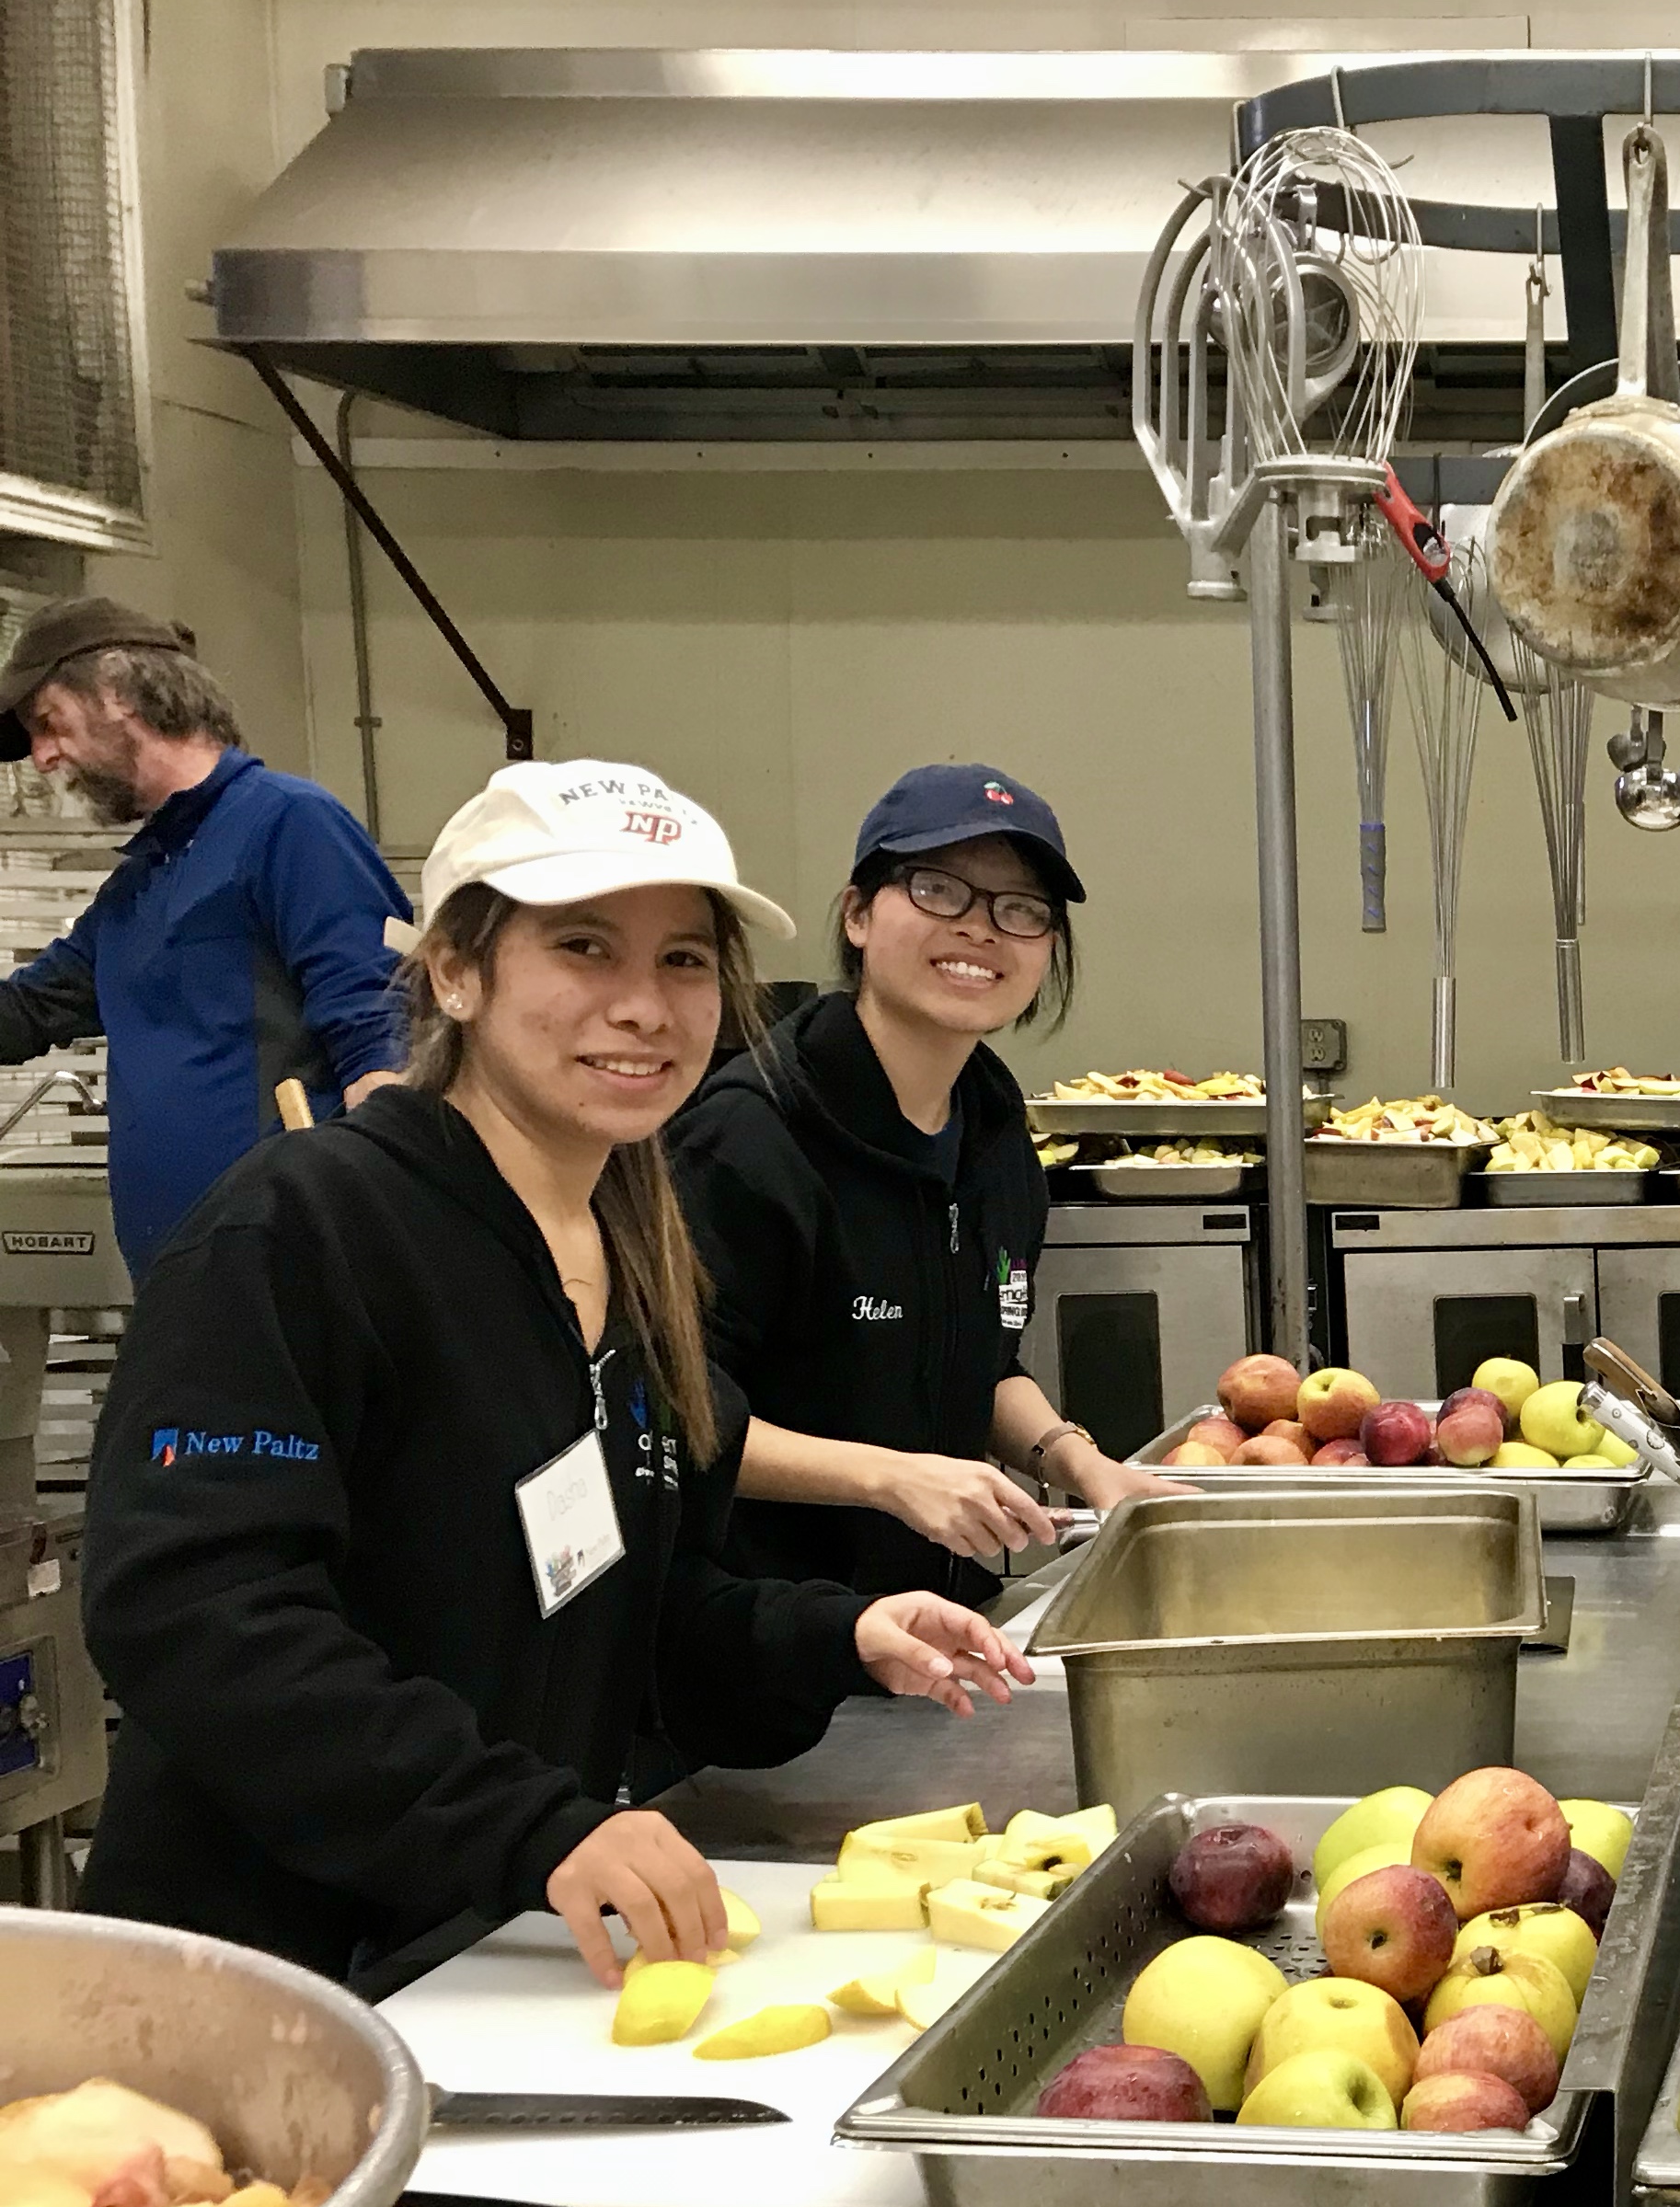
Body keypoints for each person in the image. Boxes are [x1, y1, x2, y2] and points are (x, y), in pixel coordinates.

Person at [75, 759, 1032, 1994]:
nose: (644, 1005)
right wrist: (531, 1824)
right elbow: (198, 1622)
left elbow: (621, 1603)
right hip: (265, 1980)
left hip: (485, 1961)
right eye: (585, 947)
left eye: (685, 960)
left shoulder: (629, 1250)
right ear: (457, 972)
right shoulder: (305, 1229)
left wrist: (836, 1631)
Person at [669, 763, 1177, 1615]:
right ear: (859, 913)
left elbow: (979, 1361)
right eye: (939, 889)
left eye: (1021, 910)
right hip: (770, 1643)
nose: (982, 929)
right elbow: (674, 1420)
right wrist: (886, 1477)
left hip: (934, 1629)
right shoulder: (748, 1139)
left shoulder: (996, 1135)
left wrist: (1078, 1463)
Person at [0, 597, 412, 1267]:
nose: (43, 757)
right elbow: (22, 1012)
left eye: (49, 724)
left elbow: (379, 1037)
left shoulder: (289, 824)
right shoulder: (137, 888)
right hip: (181, 1282)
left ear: (117, 694)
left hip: (291, 1266)